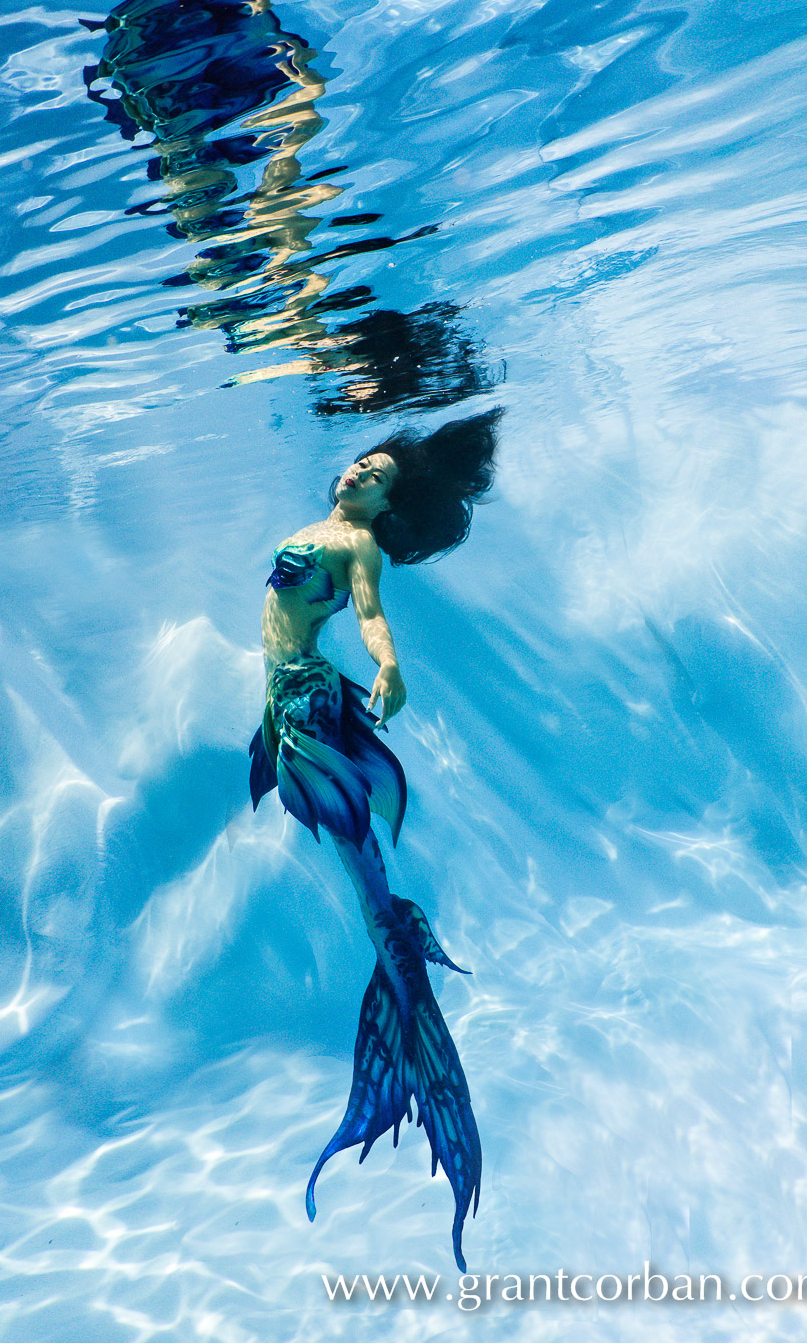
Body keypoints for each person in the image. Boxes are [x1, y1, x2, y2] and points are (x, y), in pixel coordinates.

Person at [249, 407, 502, 1271]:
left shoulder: (362, 549)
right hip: (287, 702)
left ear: (390, 507)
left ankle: (405, 986)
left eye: (378, 475)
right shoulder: (325, 524)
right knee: (369, 896)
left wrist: (388, 664)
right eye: (361, 463)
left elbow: (369, 615)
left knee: (369, 892)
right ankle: (401, 968)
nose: (358, 472)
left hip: (312, 701)